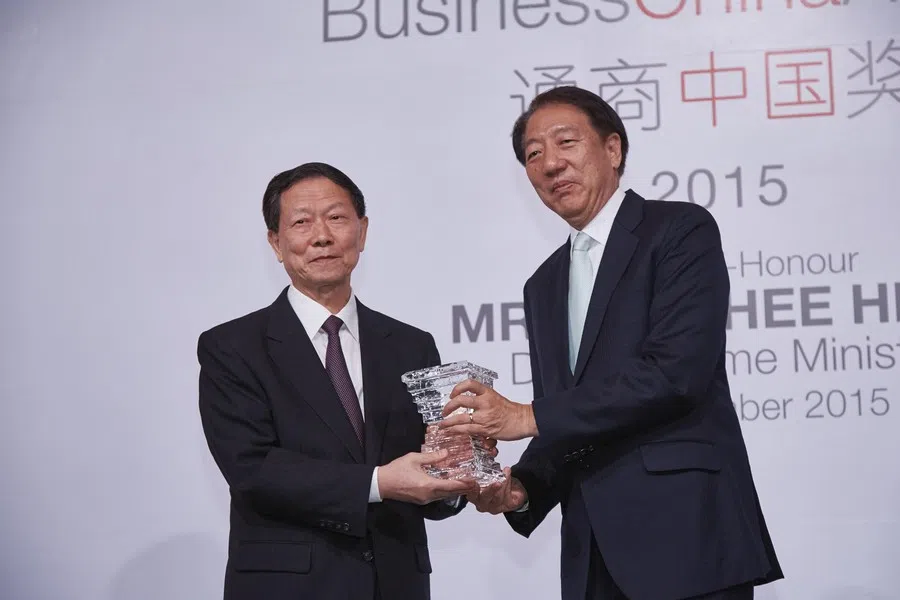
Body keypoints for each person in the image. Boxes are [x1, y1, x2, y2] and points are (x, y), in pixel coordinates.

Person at [438, 87, 784, 600]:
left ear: (613, 149)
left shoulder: (679, 230)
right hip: (592, 553)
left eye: (566, 142)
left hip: (685, 536)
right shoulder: (543, 284)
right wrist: (521, 488)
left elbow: (675, 374)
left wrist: (527, 416)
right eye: (534, 155)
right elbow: (570, 413)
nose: (551, 164)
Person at [197, 162, 479, 600]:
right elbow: (252, 470)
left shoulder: (411, 345)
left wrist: (456, 479)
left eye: (336, 217)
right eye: (301, 222)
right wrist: (379, 483)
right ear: (276, 242)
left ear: (362, 232)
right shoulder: (232, 348)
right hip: (288, 587)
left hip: (396, 583)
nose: (321, 236)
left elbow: (429, 462)